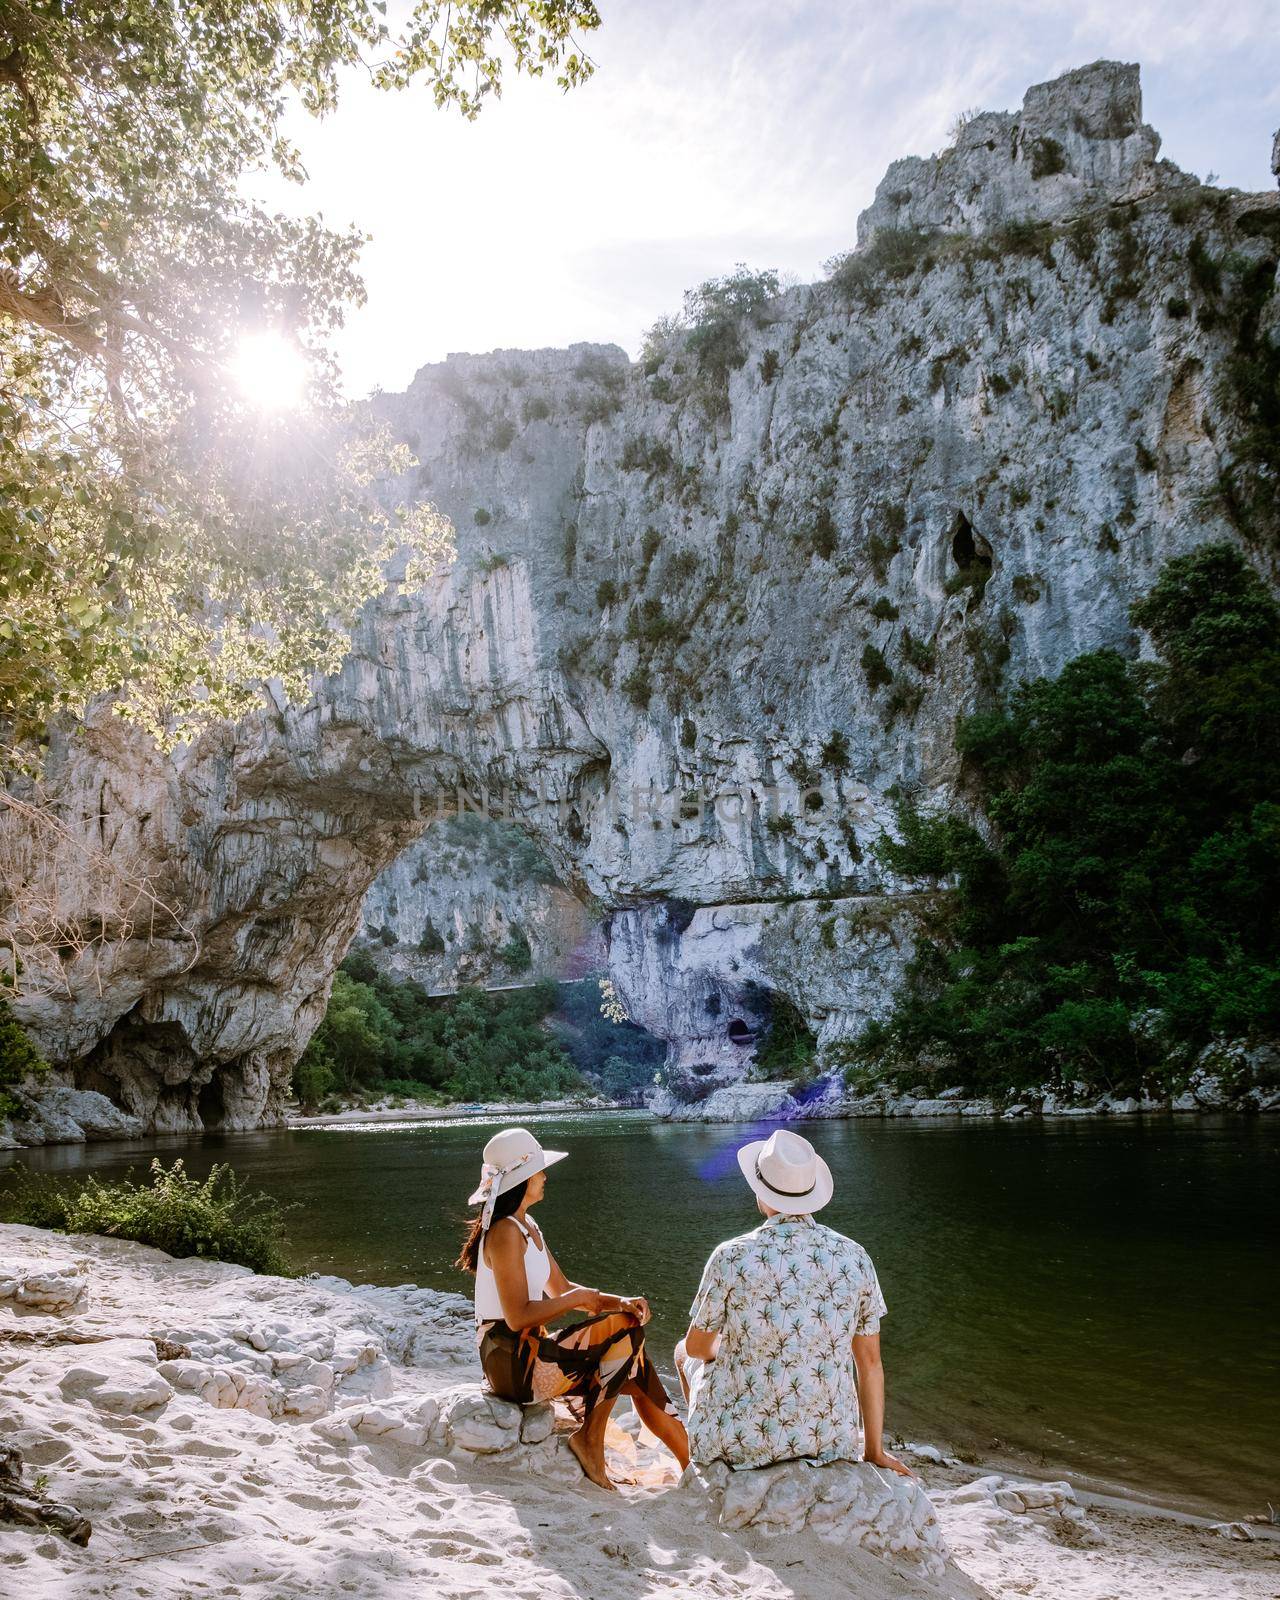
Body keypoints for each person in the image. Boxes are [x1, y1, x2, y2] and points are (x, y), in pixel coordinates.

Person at [457, 1126, 689, 1489]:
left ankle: (691, 1463)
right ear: (521, 1180)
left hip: (532, 1353)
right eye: (539, 1171)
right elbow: (517, 1317)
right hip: (510, 1362)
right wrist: (580, 1302)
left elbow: (561, 1288)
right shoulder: (503, 1232)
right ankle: (590, 1439)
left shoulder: (527, 1225)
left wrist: (620, 1301)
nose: (545, 1176)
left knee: (637, 1362)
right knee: (627, 1332)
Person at [675, 1128, 913, 1477]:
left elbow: (698, 1348)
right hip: (831, 1441)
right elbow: (870, 1362)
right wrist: (873, 1450)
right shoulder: (854, 1256)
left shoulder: (731, 1256)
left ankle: (703, 1453)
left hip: (745, 1442)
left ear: (761, 1191)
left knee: (681, 1351)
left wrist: (741, 1345)